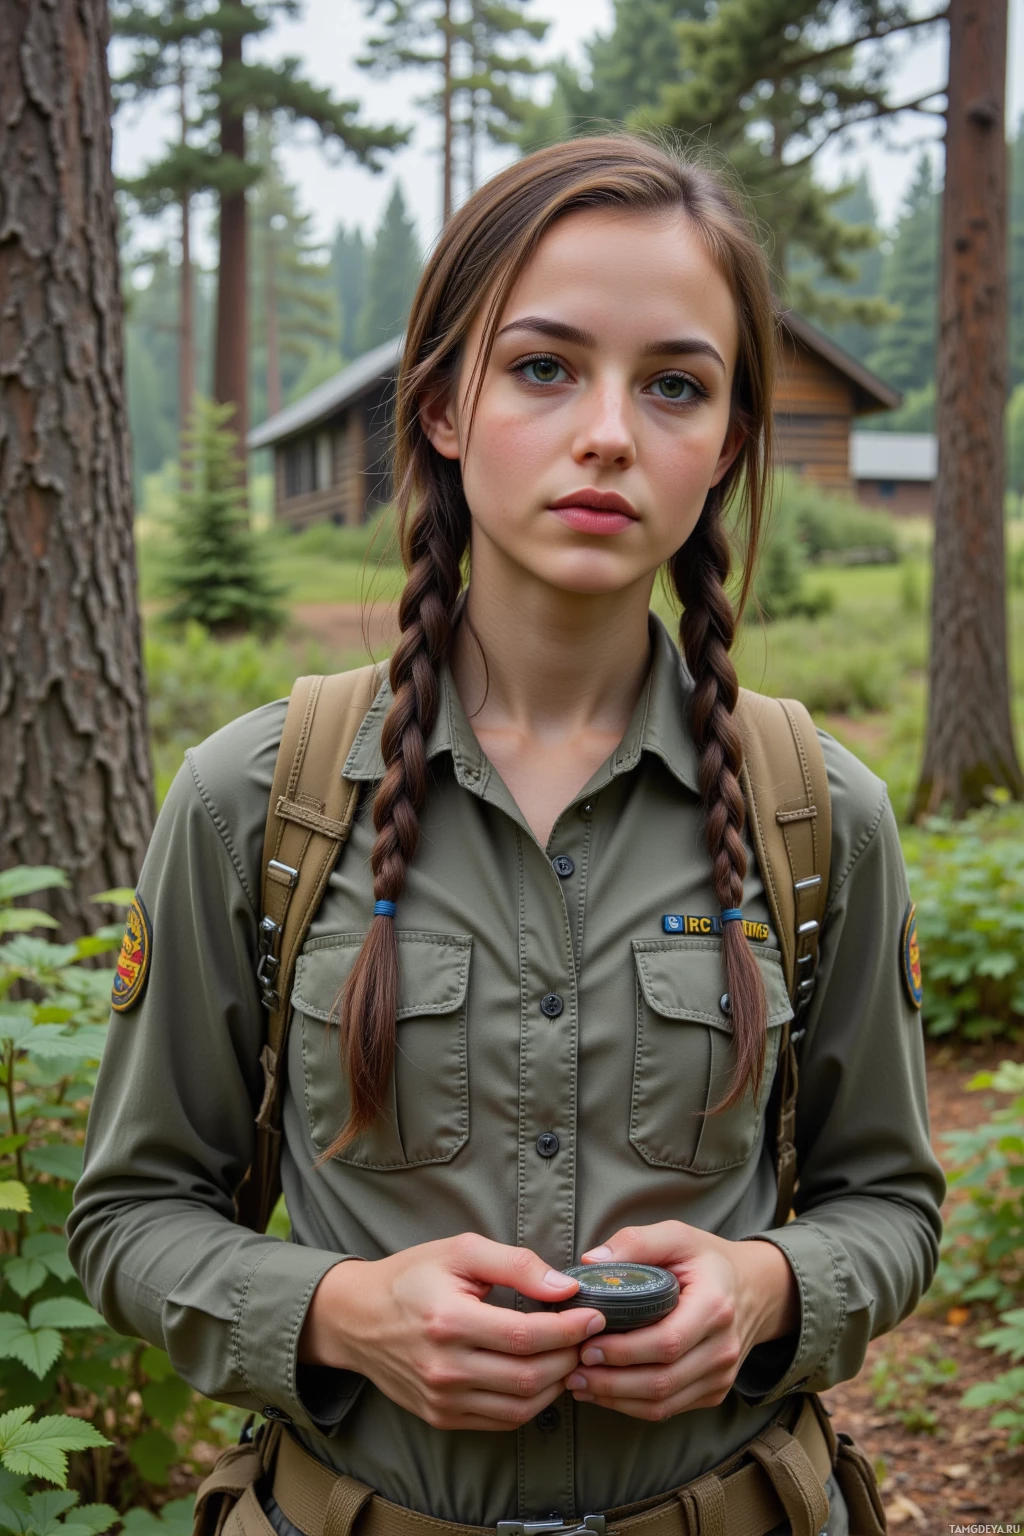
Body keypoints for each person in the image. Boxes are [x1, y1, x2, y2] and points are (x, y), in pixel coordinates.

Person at [68, 132, 946, 1536]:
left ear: (723, 443)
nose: (610, 430)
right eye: (545, 367)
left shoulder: (814, 811)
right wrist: (345, 1315)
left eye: (675, 384)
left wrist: (770, 1292)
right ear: (440, 408)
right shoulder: (258, 803)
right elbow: (128, 1219)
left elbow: (890, 1204)